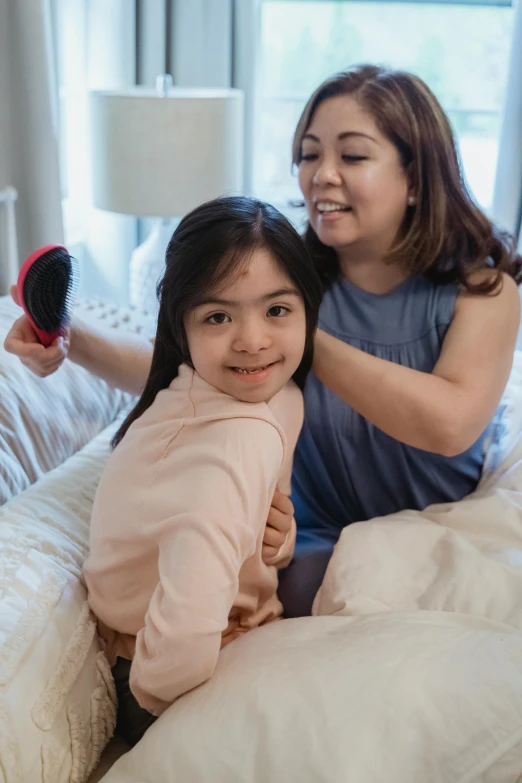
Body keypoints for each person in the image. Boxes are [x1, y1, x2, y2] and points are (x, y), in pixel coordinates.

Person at [5, 65, 521, 619]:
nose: (321, 175)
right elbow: (189, 366)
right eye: (308, 154)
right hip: (305, 521)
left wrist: (300, 337)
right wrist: (67, 336)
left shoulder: (484, 288)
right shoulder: (294, 269)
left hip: (429, 519)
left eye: (352, 156)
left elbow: (448, 426)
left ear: (416, 178)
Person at [82, 195, 322, 745]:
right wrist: (159, 710)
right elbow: (184, 633)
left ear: (308, 308)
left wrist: (276, 541)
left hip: (222, 626)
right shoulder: (237, 440)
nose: (253, 340)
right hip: (163, 672)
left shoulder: (276, 396)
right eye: (218, 316)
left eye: (277, 310)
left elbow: (257, 528)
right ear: (179, 327)